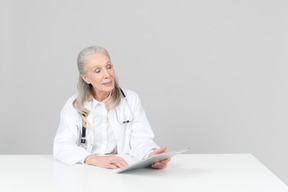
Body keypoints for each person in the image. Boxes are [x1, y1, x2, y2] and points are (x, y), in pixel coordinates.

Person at [53, 46, 170, 169]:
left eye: (109, 67)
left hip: (121, 168)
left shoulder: (130, 99)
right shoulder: (74, 105)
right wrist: (93, 159)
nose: (107, 74)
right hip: (88, 170)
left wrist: (151, 156)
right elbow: (61, 145)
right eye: (98, 71)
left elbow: (140, 139)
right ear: (85, 78)